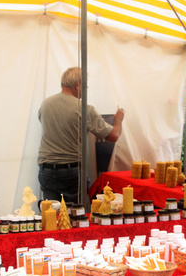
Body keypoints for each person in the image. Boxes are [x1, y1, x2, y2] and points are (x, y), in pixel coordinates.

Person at [37, 67, 124, 204]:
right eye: (85, 86)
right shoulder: (84, 108)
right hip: (70, 171)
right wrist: (118, 119)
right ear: (78, 85)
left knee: (50, 214)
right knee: (74, 215)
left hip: (46, 169)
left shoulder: (45, 104)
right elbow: (113, 136)